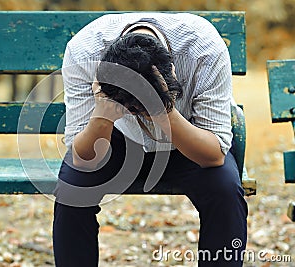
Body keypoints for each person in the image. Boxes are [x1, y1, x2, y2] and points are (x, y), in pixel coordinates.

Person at [53, 12, 248, 267]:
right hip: (115, 138)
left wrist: (162, 109)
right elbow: (82, 159)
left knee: (225, 190)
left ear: (174, 72)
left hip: (188, 136)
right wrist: (103, 115)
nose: (137, 112)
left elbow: (214, 155)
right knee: (72, 191)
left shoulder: (204, 47)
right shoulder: (84, 51)